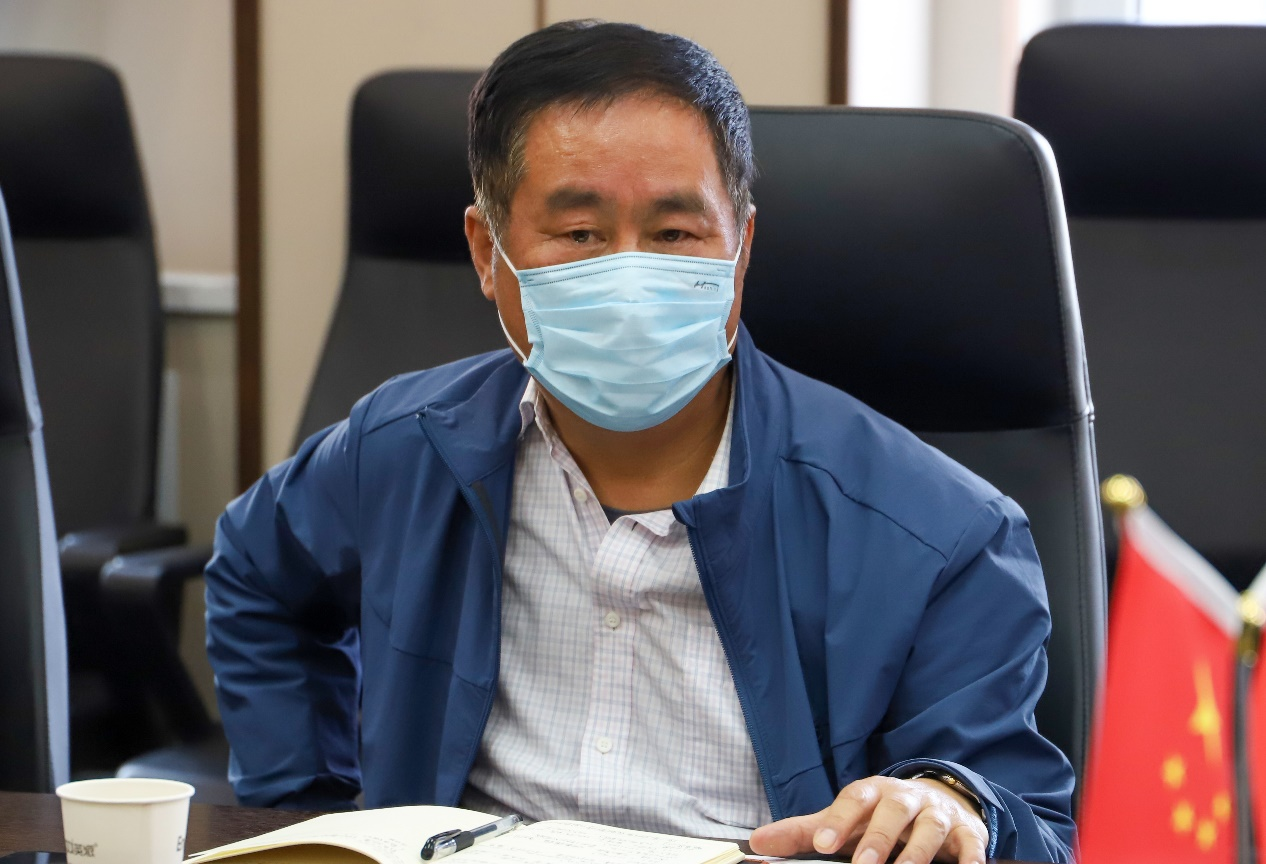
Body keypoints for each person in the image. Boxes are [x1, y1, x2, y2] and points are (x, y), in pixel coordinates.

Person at [205, 20, 1075, 864]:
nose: (628, 277)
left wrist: (954, 805)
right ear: (487, 252)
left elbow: (1023, 826)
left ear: (740, 249)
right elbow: (254, 574)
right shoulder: (401, 449)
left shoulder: (940, 532)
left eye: (674, 234)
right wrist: (309, 819)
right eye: (579, 234)